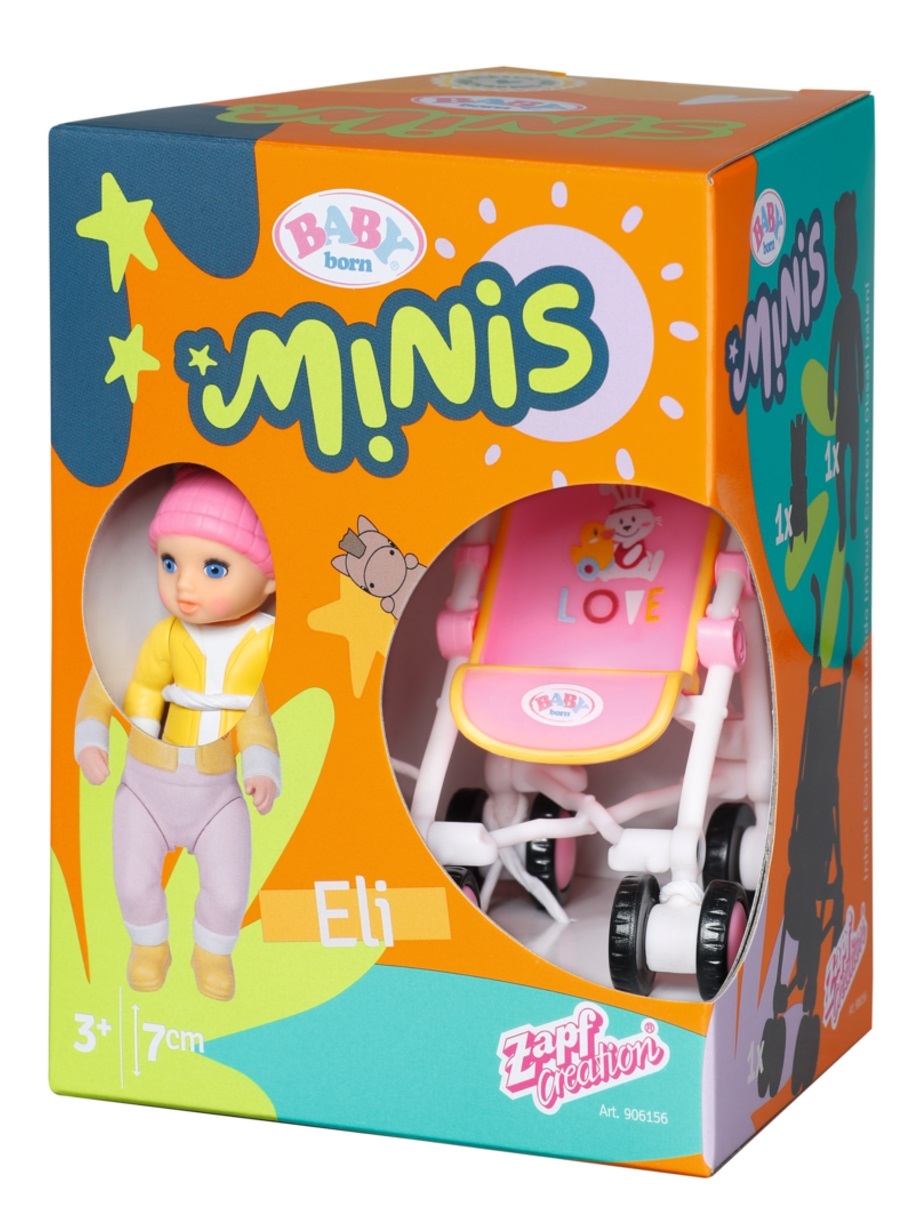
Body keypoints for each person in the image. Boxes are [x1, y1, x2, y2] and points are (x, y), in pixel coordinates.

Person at [75, 466, 279, 1001]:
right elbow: (112, 689)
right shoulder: (163, 638)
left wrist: (262, 770)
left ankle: (212, 954)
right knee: (132, 881)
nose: (184, 586)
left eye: (214, 568)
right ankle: (150, 947)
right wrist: (92, 739)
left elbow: (256, 719)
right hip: (146, 787)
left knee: (228, 890)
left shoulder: (253, 649)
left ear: (268, 583)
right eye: (170, 563)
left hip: (217, 795)